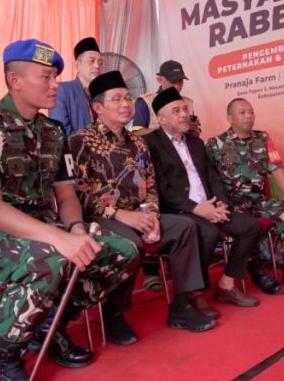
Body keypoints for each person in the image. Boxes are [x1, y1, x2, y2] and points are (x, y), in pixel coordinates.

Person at [0, 39, 139, 381]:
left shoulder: (53, 131)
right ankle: (2, 369)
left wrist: (74, 229)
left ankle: (47, 328)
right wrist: (58, 239)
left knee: (123, 250)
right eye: (45, 77)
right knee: (50, 258)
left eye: (56, 76)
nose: (55, 84)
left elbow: (67, 197)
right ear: (15, 80)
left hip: (46, 227)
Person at [69, 71, 218, 342]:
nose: (126, 104)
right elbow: (79, 192)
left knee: (186, 227)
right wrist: (121, 214)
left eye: (128, 98)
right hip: (102, 217)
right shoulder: (80, 140)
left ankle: (182, 306)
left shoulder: (138, 142)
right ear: (98, 107)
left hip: (140, 215)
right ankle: (113, 312)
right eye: (117, 99)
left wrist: (150, 213)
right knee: (132, 242)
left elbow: (150, 183)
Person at [144, 88, 267, 308]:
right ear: (161, 119)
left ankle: (226, 285)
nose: (184, 114)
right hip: (179, 211)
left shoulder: (196, 143)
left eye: (185, 109)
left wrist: (220, 203)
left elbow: (213, 177)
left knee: (250, 226)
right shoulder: (151, 144)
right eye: (176, 111)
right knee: (207, 231)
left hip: (210, 205)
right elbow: (162, 188)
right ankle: (194, 291)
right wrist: (196, 209)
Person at [206, 99, 284, 291]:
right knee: (248, 227)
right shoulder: (215, 144)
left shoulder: (263, 139)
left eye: (251, 112)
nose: (248, 116)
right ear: (230, 118)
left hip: (259, 202)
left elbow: (276, 168)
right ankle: (258, 272)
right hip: (232, 206)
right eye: (242, 112)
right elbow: (209, 181)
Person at [48, 36, 103, 137]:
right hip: (75, 151)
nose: (97, 66)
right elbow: (59, 132)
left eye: (100, 62)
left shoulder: (103, 95)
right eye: (91, 61)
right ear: (77, 65)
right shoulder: (62, 90)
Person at [133, 60, 202, 138]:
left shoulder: (187, 102)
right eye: (172, 81)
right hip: (155, 149)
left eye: (180, 81)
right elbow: (136, 133)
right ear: (159, 80)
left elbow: (193, 137)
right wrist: (167, 129)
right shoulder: (146, 101)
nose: (177, 86)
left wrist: (193, 129)